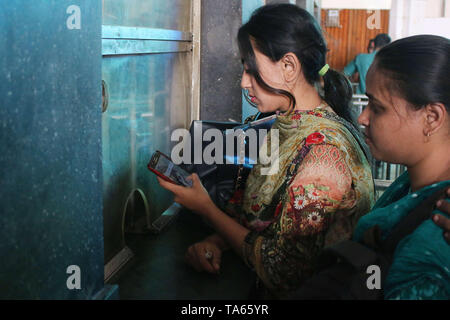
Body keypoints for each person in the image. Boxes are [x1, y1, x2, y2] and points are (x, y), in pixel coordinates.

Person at [157, 4, 374, 298]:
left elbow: (283, 273)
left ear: (288, 66)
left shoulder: (325, 153)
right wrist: (218, 241)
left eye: (251, 69)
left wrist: (206, 208)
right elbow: (263, 219)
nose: (244, 81)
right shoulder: (285, 126)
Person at [354, 35, 450, 299]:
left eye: (377, 107)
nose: (363, 117)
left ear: (431, 118)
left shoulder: (436, 240)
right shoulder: (411, 184)